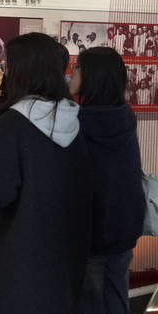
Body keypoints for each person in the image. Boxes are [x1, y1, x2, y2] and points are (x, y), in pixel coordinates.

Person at [0, 32, 92, 313]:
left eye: (7, 65)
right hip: (60, 247)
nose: (5, 71)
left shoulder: (15, 122)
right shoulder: (74, 116)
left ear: (23, 70)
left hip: (15, 251)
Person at [69, 47, 144, 314]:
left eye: (77, 67)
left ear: (93, 76)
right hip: (124, 226)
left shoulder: (76, 123)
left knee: (90, 302)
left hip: (92, 230)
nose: (71, 72)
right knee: (116, 296)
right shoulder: (125, 116)